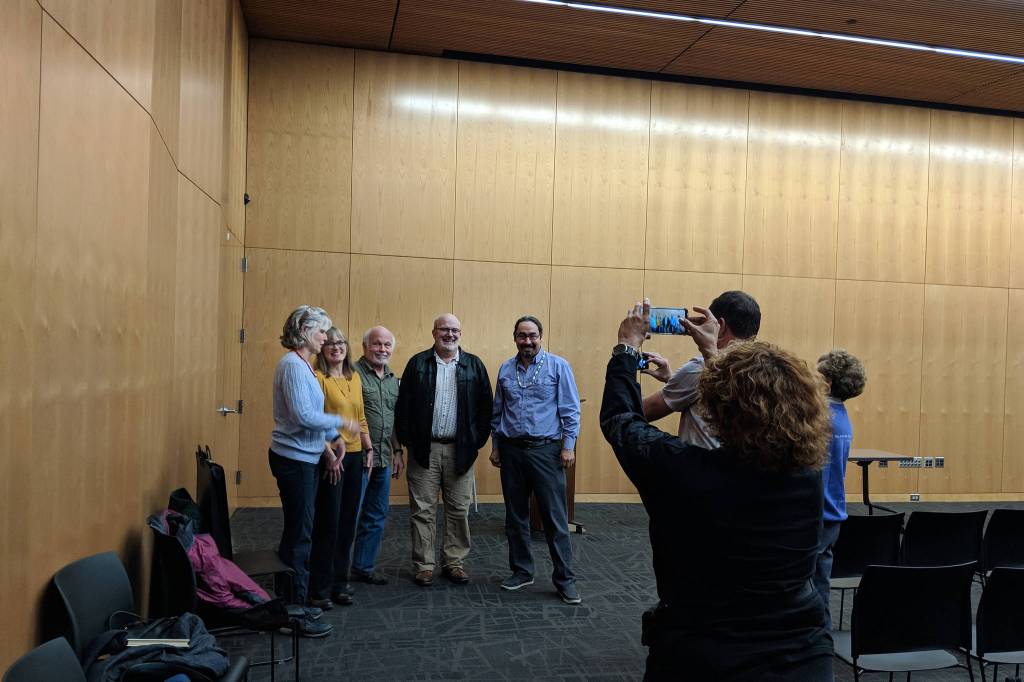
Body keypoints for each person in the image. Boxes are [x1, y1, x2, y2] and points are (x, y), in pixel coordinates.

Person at [601, 300, 834, 681]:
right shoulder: (807, 475)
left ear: (718, 412)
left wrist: (627, 348)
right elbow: (743, 406)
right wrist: (713, 352)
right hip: (801, 653)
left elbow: (621, 420)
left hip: (704, 651)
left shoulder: (686, 473)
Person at [268, 306, 359, 638]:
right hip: (294, 462)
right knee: (299, 536)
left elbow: (311, 414)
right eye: (321, 331)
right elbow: (303, 416)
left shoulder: (304, 364)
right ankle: (292, 612)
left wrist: (333, 437)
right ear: (304, 331)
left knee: (302, 532)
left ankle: (295, 602)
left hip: (306, 458)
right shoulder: (293, 365)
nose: (325, 337)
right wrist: (341, 422)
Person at [489, 316, 582, 604]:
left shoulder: (558, 366)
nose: (527, 341)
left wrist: (568, 447)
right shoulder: (506, 368)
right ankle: (522, 571)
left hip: (546, 451)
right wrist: (496, 446)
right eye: (522, 336)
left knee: (555, 518)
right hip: (511, 450)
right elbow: (497, 412)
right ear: (514, 338)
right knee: (516, 516)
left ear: (541, 336)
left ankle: (565, 580)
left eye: (532, 335)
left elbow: (571, 410)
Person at [395, 314, 493, 587]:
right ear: (434, 332)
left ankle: (454, 562)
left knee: (459, 509)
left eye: (454, 330)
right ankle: (424, 565)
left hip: (461, 451)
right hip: (424, 451)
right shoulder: (417, 363)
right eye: (444, 329)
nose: (449, 334)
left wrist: (475, 442)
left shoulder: (474, 365)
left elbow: (487, 408)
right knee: (422, 511)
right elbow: (403, 408)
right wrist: (410, 442)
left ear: (460, 333)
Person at [641, 291, 761, 448]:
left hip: (705, 463)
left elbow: (644, 411)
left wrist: (628, 351)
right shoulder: (760, 368)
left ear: (720, 326)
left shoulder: (701, 368)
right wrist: (672, 380)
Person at [308, 327, 374, 609]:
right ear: (322, 349)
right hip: (332, 455)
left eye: (341, 343)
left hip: (355, 455)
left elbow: (360, 417)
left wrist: (369, 448)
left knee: (348, 522)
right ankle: (319, 587)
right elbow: (314, 419)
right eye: (330, 343)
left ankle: (339, 582)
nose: (336, 347)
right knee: (329, 522)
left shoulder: (354, 377)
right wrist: (328, 455)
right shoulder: (318, 377)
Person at [813, 348, 867, 629]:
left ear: (828, 381)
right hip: (833, 511)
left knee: (805, 582)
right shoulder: (841, 415)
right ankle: (821, 632)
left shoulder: (820, 418)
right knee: (820, 581)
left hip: (817, 512)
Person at [351, 326, 405, 585]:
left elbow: (391, 420)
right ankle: (335, 572)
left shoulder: (393, 378)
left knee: (375, 515)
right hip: (356, 459)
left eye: (387, 345)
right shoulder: (351, 374)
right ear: (365, 346)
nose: (382, 349)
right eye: (377, 344)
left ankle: (363, 566)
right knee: (348, 516)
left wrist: (397, 450)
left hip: (382, 458)